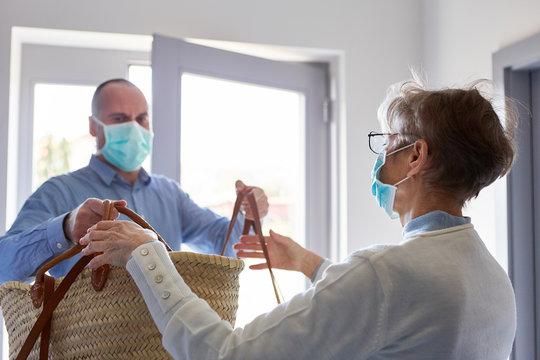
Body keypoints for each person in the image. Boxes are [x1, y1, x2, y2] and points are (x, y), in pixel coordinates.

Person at [80, 76, 517, 359]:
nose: (381, 157)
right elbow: (398, 315)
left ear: (416, 156)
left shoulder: (386, 273)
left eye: (388, 143)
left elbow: (222, 353)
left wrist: (146, 254)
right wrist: (311, 265)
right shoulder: (496, 282)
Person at [0, 78, 268, 284]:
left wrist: (251, 213)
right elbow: (4, 265)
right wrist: (66, 227)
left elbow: (229, 245)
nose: (134, 128)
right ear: (94, 127)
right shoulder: (58, 192)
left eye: (141, 118)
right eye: (120, 119)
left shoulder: (169, 194)